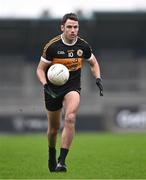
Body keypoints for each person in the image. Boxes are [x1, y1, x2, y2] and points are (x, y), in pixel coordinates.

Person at [36, 13, 103, 173]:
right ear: (62, 28)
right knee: (54, 129)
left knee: (71, 117)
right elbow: (40, 69)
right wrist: (45, 85)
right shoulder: (52, 46)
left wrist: (98, 78)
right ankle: (51, 153)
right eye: (69, 27)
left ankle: (62, 161)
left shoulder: (83, 46)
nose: (73, 30)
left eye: (76, 27)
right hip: (52, 89)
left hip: (72, 87)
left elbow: (93, 63)